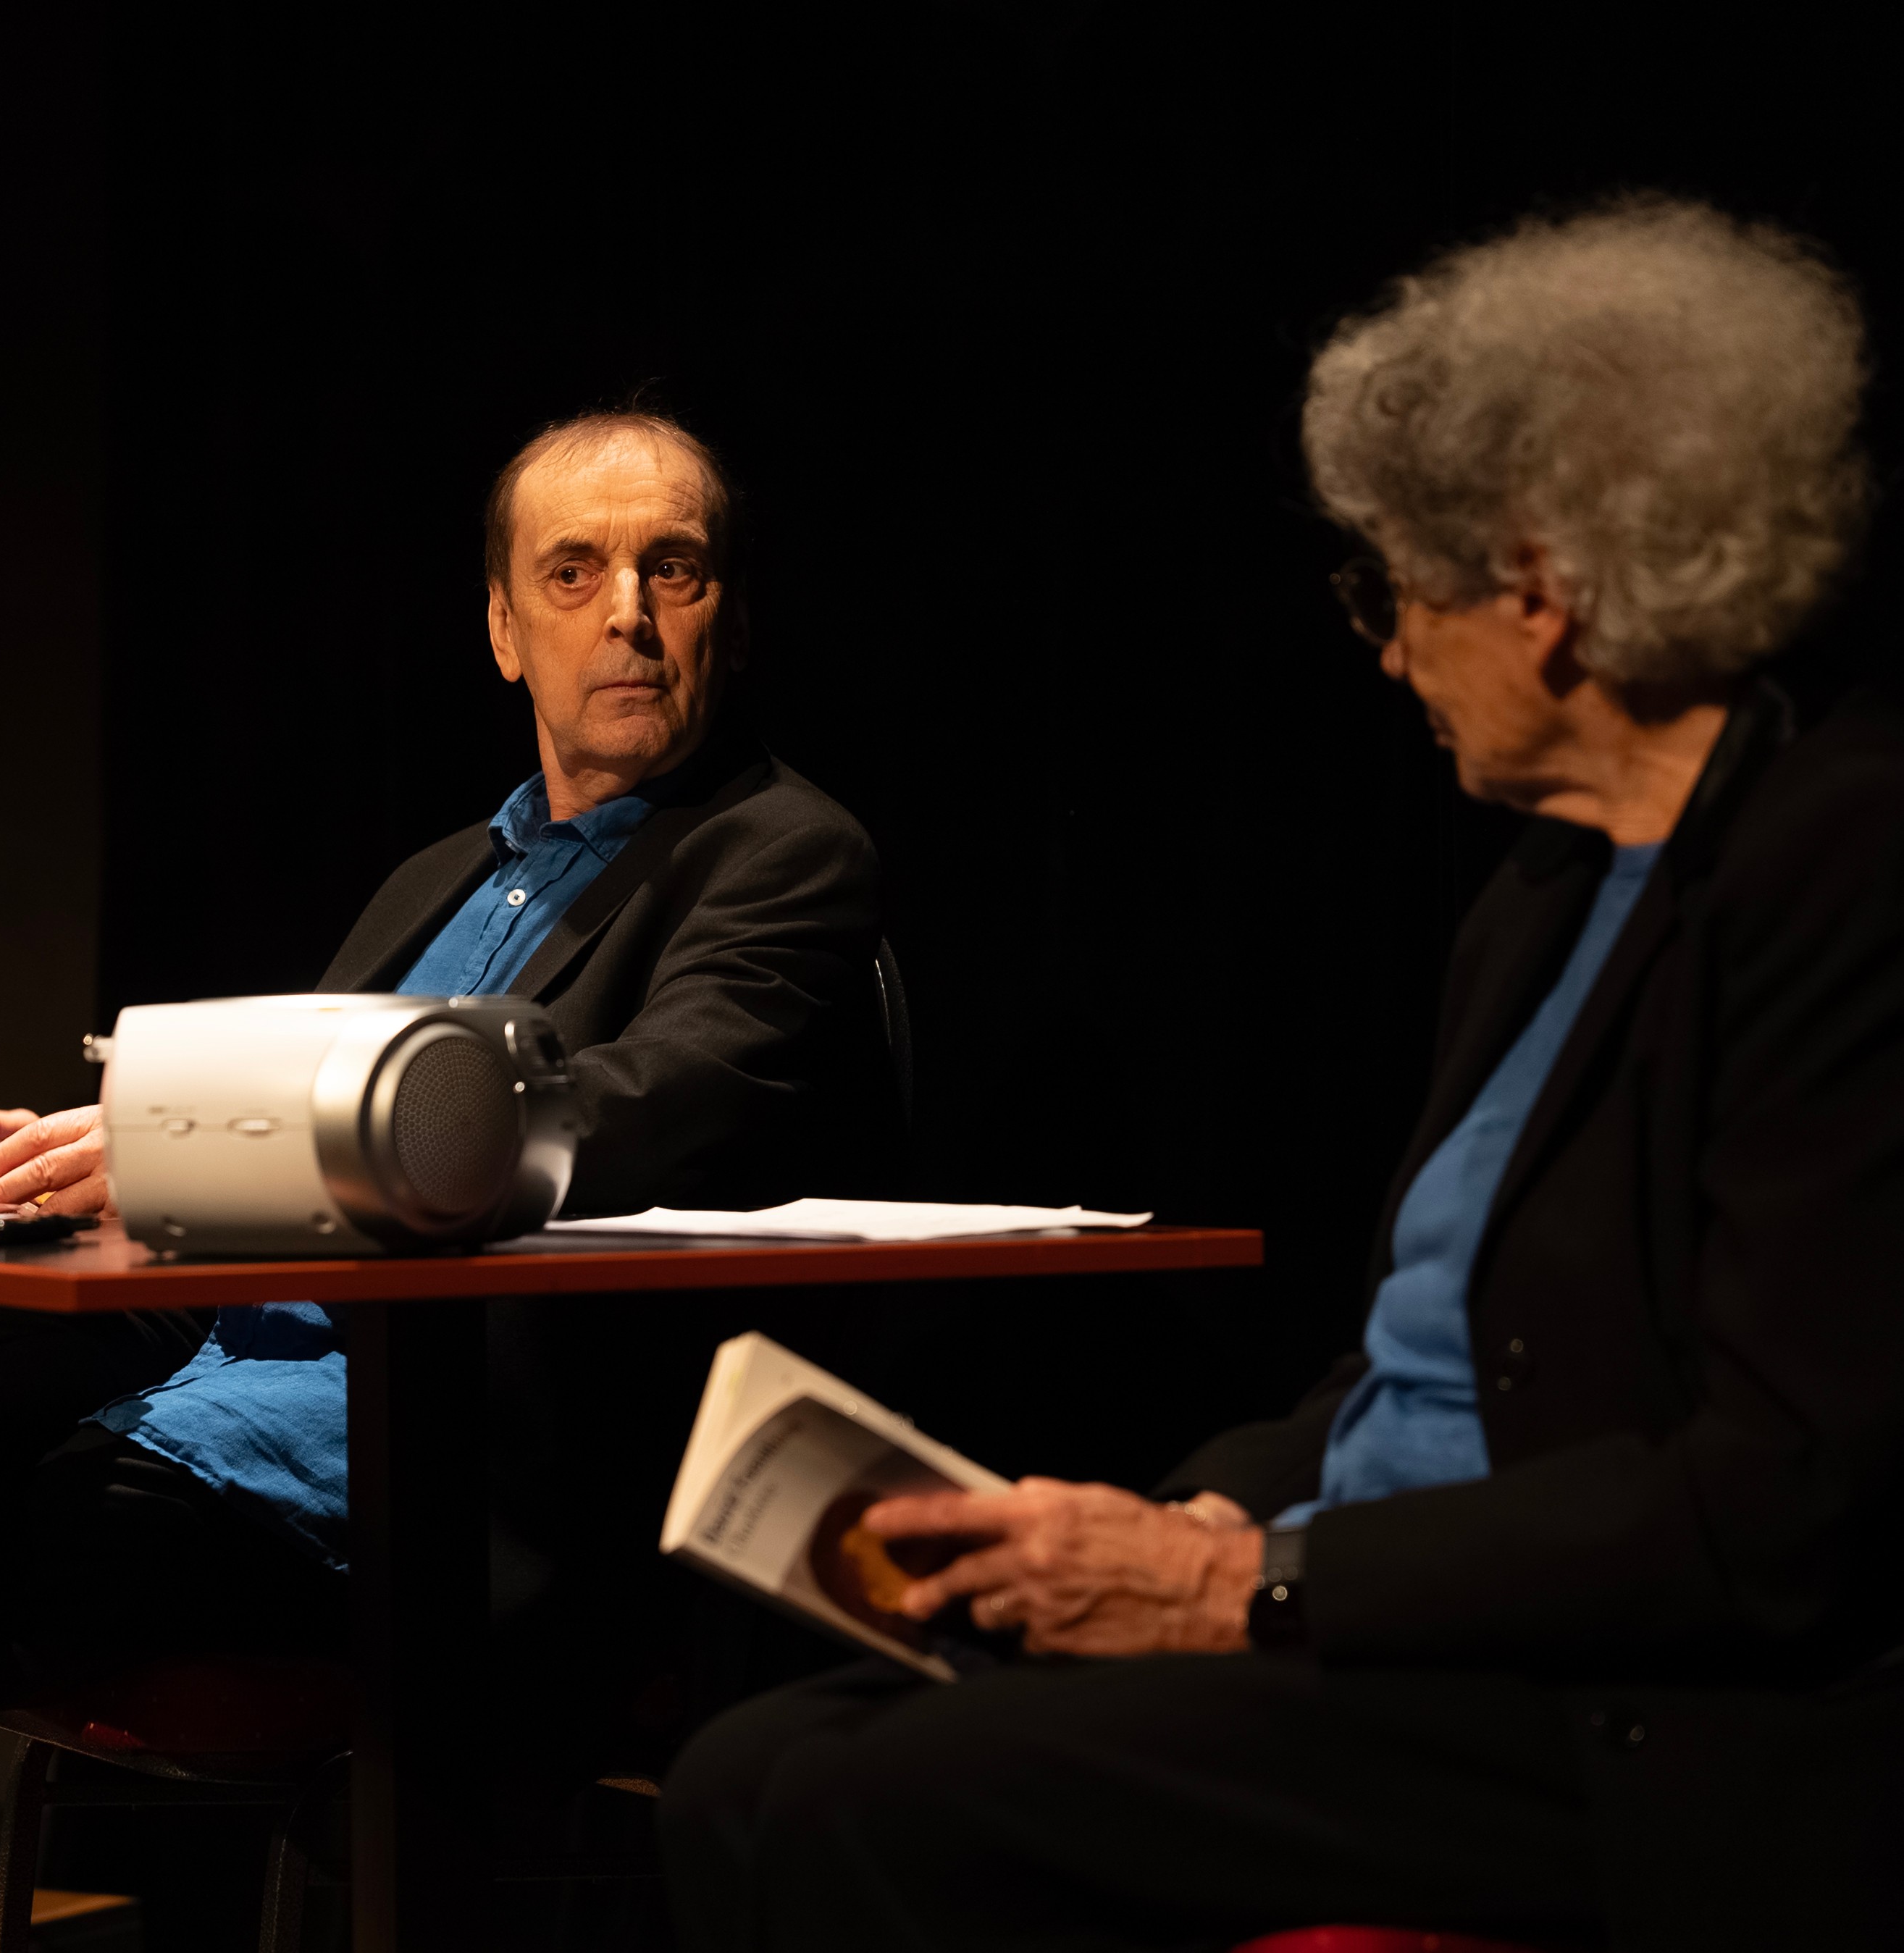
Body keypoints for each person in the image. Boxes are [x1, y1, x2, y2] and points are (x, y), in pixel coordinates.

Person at [660, 196, 1904, 1952]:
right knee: (743, 1767)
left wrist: (1244, 1577)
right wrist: (1179, 1515)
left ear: (1539, 589)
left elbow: (1778, 1498)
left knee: (870, 1803)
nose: (1382, 649)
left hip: (1618, 1708)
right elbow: (1407, 1361)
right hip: (1372, 1614)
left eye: (1390, 585)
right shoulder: (1541, 889)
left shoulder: (1840, 862)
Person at [0, 409, 901, 1953]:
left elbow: (635, 1109)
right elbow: (279, 1134)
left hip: (445, 1464)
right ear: (501, 628)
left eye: (672, 569)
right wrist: (89, 1168)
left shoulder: (782, 854)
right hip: (210, 1378)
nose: (626, 614)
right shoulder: (439, 879)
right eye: (573, 570)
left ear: (731, 608)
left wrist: (189, 1142)